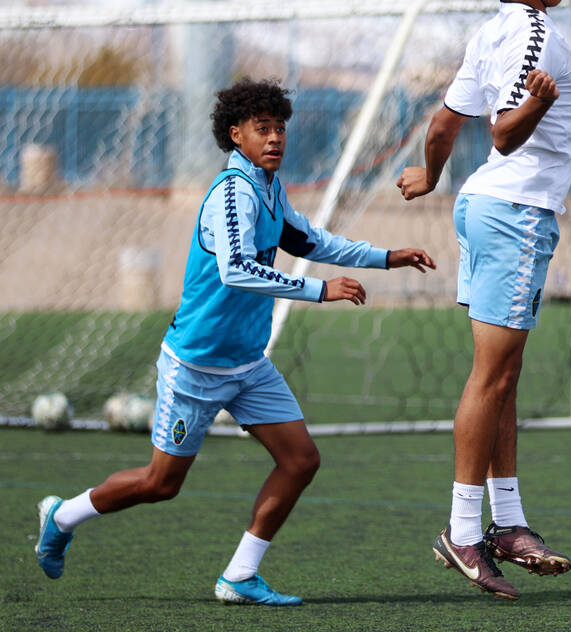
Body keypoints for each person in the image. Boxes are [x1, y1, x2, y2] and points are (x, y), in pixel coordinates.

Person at [33, 78, 435, 606]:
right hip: (196, 365)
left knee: (301, 461)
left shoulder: (270, 188)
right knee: (161, 484)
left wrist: (385, 256)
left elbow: (313, 240)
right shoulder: (231, 193)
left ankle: (239, 576)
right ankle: (62, 515)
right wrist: (320, 290)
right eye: (262, 129)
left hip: (246, 364)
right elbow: (237, 270)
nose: (274, 138)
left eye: (280, 128)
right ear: (235, 134)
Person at [397, 0, 571, 601]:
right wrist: (538, 103)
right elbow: (504, 134)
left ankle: (506, 523)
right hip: (515, 213)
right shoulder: (534, 34)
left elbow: (445, 123)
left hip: (489, 209)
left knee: (502, 377)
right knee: (489, 379)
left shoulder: (495, 32)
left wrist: (431, 176)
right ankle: (465, 533)